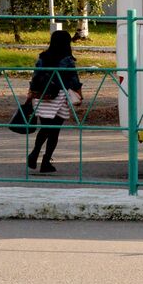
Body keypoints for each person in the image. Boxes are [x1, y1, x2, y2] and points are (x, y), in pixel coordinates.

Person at [26, 30, 83, 175]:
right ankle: (45, 161)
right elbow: (73, 79)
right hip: (59, 96)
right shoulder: (67, 59)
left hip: (42, 96)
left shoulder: (42, 57)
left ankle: (34, 153)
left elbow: (35, 76)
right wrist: (79, 94)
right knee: (55, 130)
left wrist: (31, 93)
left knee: (45, 127)